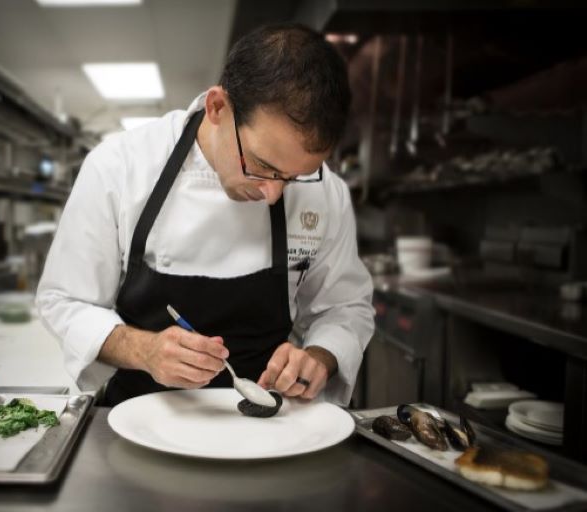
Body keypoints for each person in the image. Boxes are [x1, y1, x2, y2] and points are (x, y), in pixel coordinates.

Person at [37, 23, 374, 407]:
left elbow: (345, 307)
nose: (273, 193)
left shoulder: (325, 191)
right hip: (135, 421)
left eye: (294, 177)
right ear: (217, 108)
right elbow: (64, 300)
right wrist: (142, 349)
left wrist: (319, 357)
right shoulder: (119, 167)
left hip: (270, 431)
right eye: (262, 166)